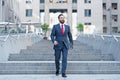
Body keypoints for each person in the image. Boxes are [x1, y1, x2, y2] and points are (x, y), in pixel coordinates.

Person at [50, 14, 73, 78]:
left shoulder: (67, 27)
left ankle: (63, 72)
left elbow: (70, 36)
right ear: (59, 19)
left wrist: (71, 43)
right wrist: (54, 40)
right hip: (57, 45)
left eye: (63, 18)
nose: (62, 19)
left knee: (64, 59)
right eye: (61, 18)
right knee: (57, 59)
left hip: (65, 45)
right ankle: (57, 70)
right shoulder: (55, 26)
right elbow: (52, 35)